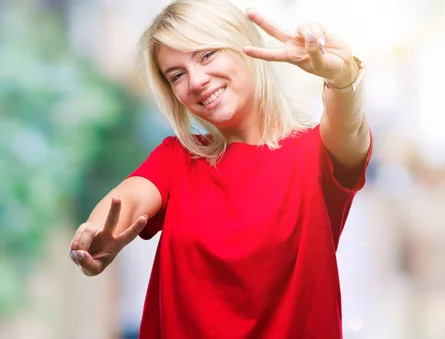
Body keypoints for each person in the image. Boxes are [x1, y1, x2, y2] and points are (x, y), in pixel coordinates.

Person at [68, 0, 372, 338]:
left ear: (244, 45)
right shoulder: (178, 159)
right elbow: (124, 203)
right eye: (177, 75)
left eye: (206, 55)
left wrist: (345, 79)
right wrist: (96, 236)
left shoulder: (316, 153)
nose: (196, 81)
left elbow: (350, 127)